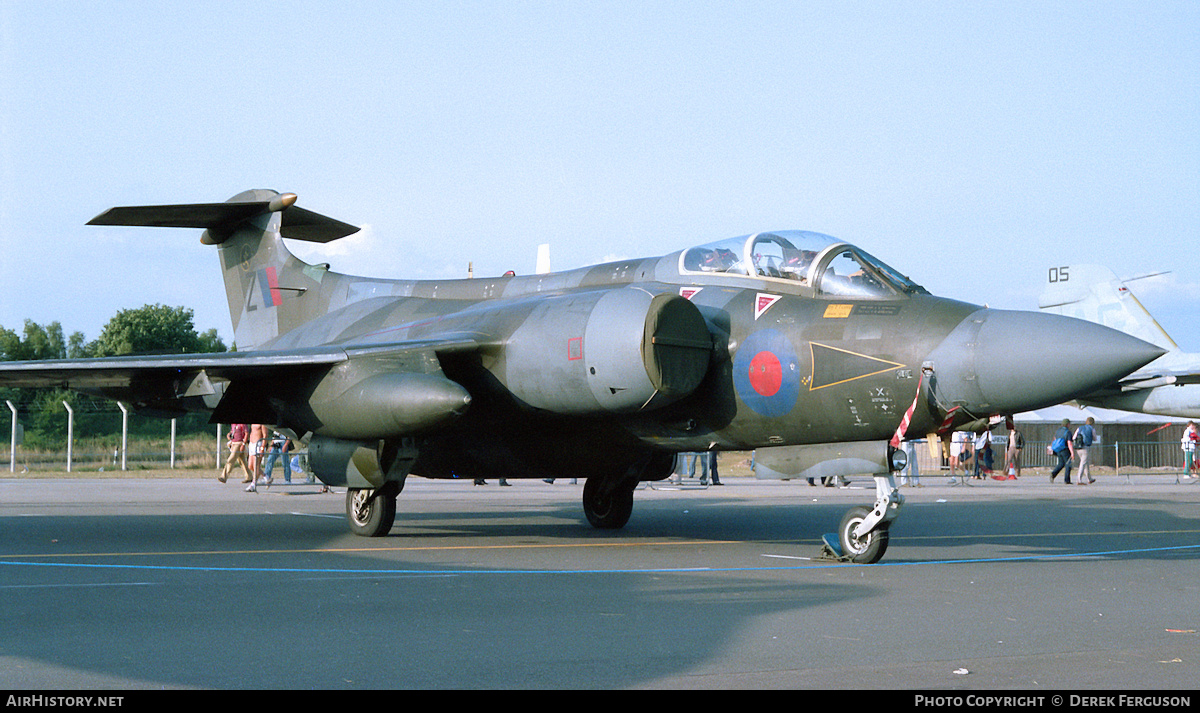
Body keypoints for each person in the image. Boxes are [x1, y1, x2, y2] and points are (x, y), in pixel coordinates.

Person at [1049, 419, 1073, 484]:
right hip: (1065, 449)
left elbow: (1054, 439)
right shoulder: (1068, 432)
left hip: (1058, 449)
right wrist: (1072, 453)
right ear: (1067, 424)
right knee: (1068, 464)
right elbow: (1069, 443)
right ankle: (1067, 480)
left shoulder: (1058, 431)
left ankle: (1053, 474)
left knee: (1061, 464)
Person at [1073, 417, 1096, 485]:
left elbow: (1073, 437)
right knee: (1083, 463)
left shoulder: (1079, 428)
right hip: (1085, 447)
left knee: (1086, 463)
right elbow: (1095, 438)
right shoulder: (1092, 429)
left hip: (1078, 447)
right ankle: (1079, 480)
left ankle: (1089, 478)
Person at [246, 424, 268, 491]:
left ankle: (253, 485)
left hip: (258, 444)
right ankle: (266, 477)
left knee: (256, 466)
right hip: (252, 444)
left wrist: (262, 447)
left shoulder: (263, 424)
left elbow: (265, 436)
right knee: (250, 466)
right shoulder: (253, 422)